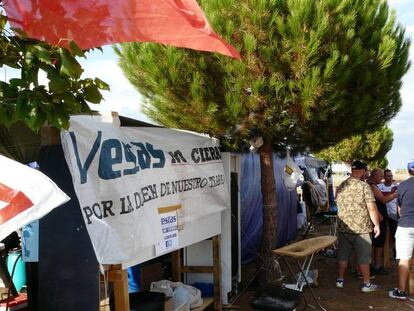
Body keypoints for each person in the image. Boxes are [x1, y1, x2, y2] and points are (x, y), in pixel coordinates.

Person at [335, 160, 381, 292]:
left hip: (344, 227)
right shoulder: (364, 186)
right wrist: (376, 224)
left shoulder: (341, 185)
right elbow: (372, 208)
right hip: (362, 228)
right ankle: (367, 284)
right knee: (364, 257)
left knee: (343, 255)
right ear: (363, 171)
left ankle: (340, 280)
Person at [389, 161, 414, 300]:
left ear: (409, 171)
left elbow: (399, 209)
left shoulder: (402, 186)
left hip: (406, 225)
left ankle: (401, 291)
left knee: (404, 259)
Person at [368, 168, 397, 275]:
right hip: (378, 218)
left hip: (378, 217)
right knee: (379, 243)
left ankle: (375, 264)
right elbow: (383, 200)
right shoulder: (372, 185)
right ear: (375, 176)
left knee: (378, 242)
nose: (383, 178)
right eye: (381, 176)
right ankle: (377, 266)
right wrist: (395, 194)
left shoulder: (372, 185)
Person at [377, 169, 398, 258]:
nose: (389, 177)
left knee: (395, 234)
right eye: (387, 176)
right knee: (382, 234)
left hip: (393, 215)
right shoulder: (378, 186)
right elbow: (382, 200)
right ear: (384, 177)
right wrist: (391, 192)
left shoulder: (396, 187)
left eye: (391, 176)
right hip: (383, 214)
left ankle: (395, 250)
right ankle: (381, 252)